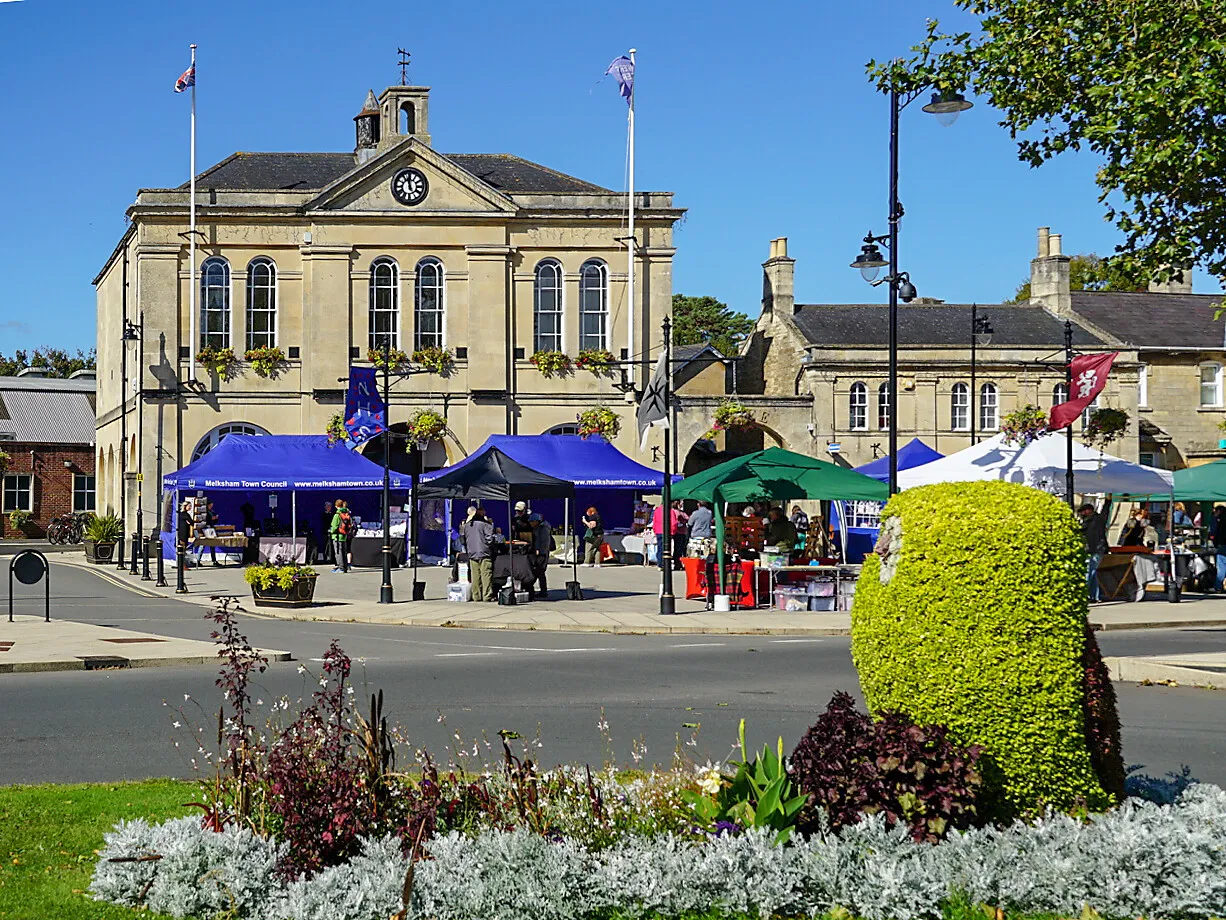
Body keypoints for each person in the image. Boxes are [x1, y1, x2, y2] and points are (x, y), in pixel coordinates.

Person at [1079, 502, 1109, 603]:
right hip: (1096, 548)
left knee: (1089, 572)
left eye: (1083, 511)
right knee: (1093, 572)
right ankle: (1094, 596)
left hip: (1096, 548)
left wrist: (1108, 501)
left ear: (1088, 511)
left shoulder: (1095, 520)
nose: (1081, 514)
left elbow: (1105, 511)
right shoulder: (1090, 521)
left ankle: (1085, 594)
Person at [463, 507, 495, 601]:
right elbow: (490, 539)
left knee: (475, 575)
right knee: (486, 574)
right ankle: (487, 596)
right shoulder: (485, 525)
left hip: (472, 552)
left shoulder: (467, 525)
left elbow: (463, 539)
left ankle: (476, 596)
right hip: (484, 552)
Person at [529, 512, 552, 600]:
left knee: (539, 571)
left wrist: (538, 550)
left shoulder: (541, 529)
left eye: (531, 522)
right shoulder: (543, 528)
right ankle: (543, 590)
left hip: (542, 553)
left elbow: (541, 541)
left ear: (536, 521)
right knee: (541, 572)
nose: (530, 523)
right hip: (543, 552)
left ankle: (541, 590)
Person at [329, 499, 352, 573]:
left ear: (336, 506)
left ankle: (340, 567)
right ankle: (345, 567)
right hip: (344, 535)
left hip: (337, 536)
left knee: (338, 552)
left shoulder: (337, 515)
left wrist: (331, 531)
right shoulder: (347, 513)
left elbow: (334, 526)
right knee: (344, 551)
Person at [177, 500, 195, 570]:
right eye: (189, 506)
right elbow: (191, 522)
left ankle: (182, 564)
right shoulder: (184, 514)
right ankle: (182, 565)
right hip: (182, 534)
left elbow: (190, 522)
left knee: (183, 548)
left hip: (184, 533)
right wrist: (189, 522)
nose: (190, 507)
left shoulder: (184, 514)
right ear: (185, 506)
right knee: (183, 549)